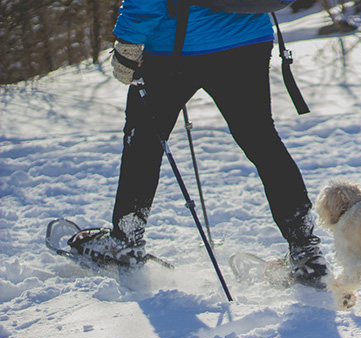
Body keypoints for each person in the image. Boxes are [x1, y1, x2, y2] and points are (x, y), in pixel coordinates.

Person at [71, 0, 328, 289]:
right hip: (246, 40)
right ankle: (306, 251)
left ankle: (125, 243)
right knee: (262, 141)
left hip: (173, 48)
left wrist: (129, 41)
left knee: (143, 144)